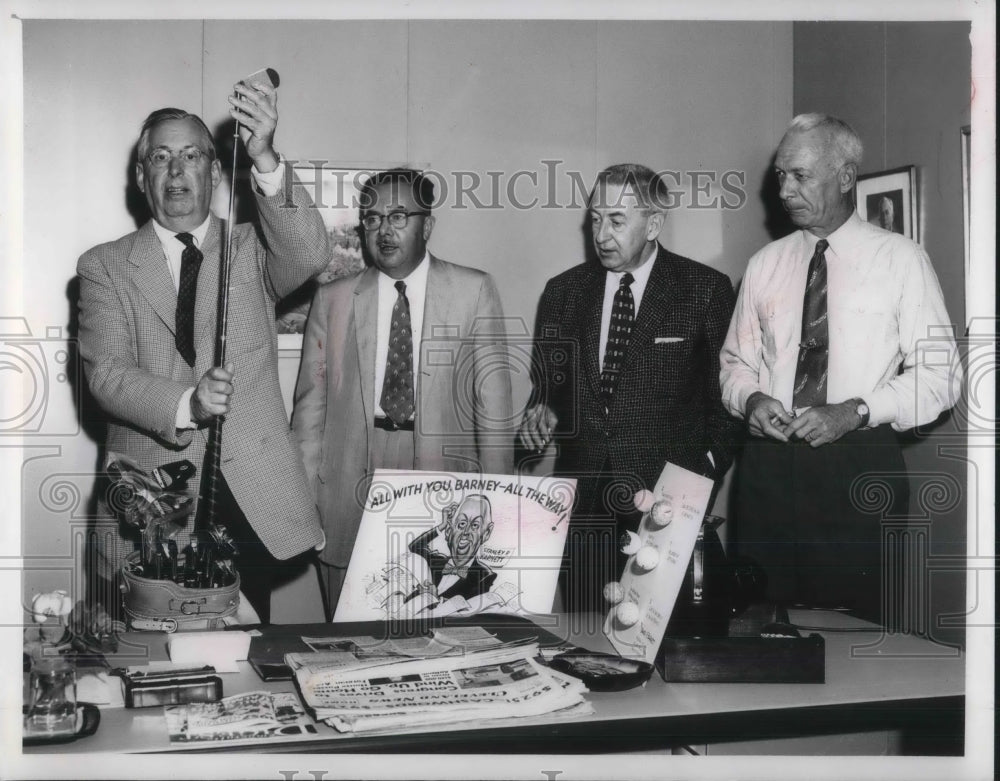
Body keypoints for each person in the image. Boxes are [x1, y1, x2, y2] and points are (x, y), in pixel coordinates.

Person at [77, 79, 328, 623]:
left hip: (247, 499)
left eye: (191, 156)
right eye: (160, 158)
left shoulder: (253, 248)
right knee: (148, 655)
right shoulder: (104, 265)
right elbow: (108, 375)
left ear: (214, 173)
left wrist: (263, 154)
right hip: (147, 504)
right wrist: (189, 404)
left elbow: (310, 251)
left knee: (238, 654)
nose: (176, 171)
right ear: (141, 176)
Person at [719, 113, 962, 625]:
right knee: (761, 624)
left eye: (800, 176)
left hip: (857, 466)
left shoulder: (901, 259)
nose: (785, 190)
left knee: (857, 628)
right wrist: (752, 400)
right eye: (781, 175)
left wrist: (856, 411)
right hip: (768, 468)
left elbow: (942, 377)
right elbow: (735, 363)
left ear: (846, 176)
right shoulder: (765, 264)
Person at [518, 163, 742, 613]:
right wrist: (542, 410)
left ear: (654, 223)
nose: (601, 234)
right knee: (586, 642)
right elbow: (551, 388)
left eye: (617, 221)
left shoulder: (705, 291)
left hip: (666, 500)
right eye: (596, 218)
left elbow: (727, 402)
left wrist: (702, 477)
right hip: (584, 507)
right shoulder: (562, 293)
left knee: (665, 640)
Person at [293, 169, 513, 618]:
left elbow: (493, 412)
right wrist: (302, 502)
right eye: (371, 219)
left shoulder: (474, 291)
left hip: (444, 481)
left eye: (398, 216)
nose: (384, 230)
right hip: (349, 483)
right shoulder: (333, 299)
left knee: (440, 630)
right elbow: (309, 412)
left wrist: (499, 505)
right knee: (350, 631)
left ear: (426, 225)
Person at [405, 494, 498, 603]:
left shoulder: (484, 575)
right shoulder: (436, 562)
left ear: (486, 533)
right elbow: (415, 546)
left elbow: (470, 609)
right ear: (449, 531)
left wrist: (435, 599)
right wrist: (442, 526)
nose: (466, 532)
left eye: (475, 525)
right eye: (462, 524)